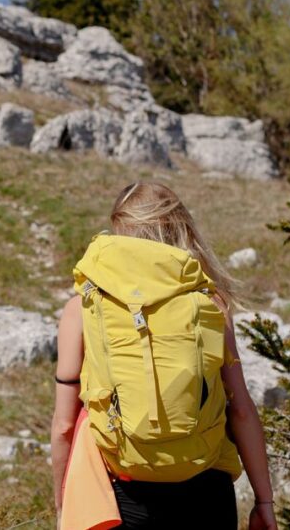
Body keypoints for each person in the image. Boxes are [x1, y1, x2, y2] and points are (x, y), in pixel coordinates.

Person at [51, 181, 278, 529]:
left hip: (125, 495)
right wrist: (264, 501)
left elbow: (65, 425)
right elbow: (242, 411)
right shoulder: (211, 304)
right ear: (179, 231)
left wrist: (63, 505)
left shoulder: (81, 308)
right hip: (207, 491)